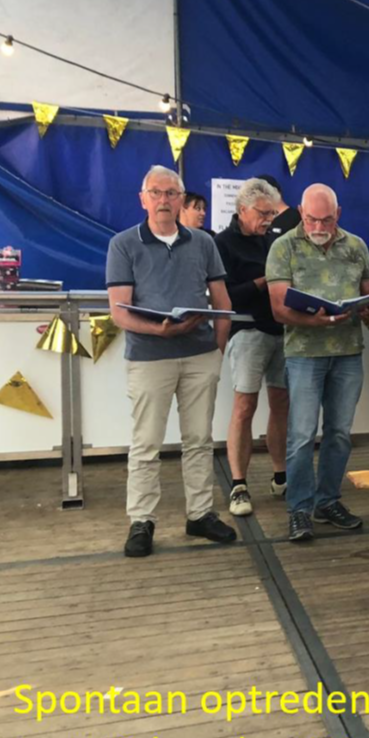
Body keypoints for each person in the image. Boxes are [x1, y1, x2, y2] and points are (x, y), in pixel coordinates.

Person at [107, 165, 237, 557]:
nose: (163, 200)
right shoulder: (123, 244)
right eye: (156, 193)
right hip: (149, 359)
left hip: (200, 356)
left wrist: (216, 352)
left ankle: (200, 514)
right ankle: (141, 521)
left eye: (171, 193)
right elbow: (119, 312)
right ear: (142, 199)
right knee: (146, 443)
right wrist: (158, 331)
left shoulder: (203, 243)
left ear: (181, 200)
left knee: (199, 440)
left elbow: (222, 301)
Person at [267, 184, 369, 543]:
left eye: (326, 220)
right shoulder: (283, 247)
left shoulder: (356, 246)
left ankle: (327, 501)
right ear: (301, 212)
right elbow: (278, 308)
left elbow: (368, 293)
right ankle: (299, 508)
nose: (318, 226)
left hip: (348, 351)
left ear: (338, 214)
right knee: (301, 435)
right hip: (303, 353)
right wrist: (314, 321)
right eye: (312, 219)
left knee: (340, 433)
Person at [214, 178, 289, 516]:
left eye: (272, 214)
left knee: (282, 403)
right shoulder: (222, 243)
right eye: (263, 213)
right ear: (242, 209)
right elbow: (224, 296)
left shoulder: (274, 241)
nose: (269, 220)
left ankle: (281, 475)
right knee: (245, 406)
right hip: (247, 330)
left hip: (281, 329)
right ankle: (239, 484)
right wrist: (265, 281)